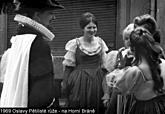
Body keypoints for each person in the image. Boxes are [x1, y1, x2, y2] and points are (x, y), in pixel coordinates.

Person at [0, 0, 64, 107]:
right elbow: (42, 93)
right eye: (50, 13)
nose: (54, 17)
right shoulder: (38, 44)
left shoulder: (18, 40)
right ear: (37, 15)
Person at [62, 12, 108, 113]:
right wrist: (64, 90)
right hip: (79, 80)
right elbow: (68, 68)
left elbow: (105, 68)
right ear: (83, 28)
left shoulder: (100, 43)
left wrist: (106, 92)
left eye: (94, 27)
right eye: (89, 27)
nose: (92, 30)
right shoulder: (75, 44)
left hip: (97, 80)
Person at [113, 26, 165, 114]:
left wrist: (119, 71)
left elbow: (118, 89)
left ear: (132, 48)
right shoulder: (161, 63)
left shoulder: (135, 71)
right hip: (159, 106)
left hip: (143, 108)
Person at [105, 23, 135, 114]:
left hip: (134, 90)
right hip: (119, 90)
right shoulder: (121, 53)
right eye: (126, 39)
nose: (128, 41)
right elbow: (112, 72)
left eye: (130, 38)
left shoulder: (141, 55)